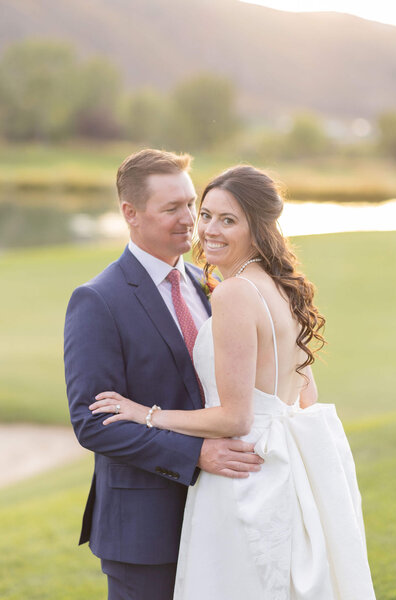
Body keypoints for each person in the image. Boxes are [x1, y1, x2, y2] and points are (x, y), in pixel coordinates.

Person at [91, 165, 376, 599]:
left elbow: (236, 417)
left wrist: (144, 414)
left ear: (258, 228)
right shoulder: (282, 287)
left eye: (228, 220)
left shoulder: (232, 293)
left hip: (242, 474)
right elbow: (304, 395)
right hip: (280, 467)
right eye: (204, 214)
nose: (206, 229)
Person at [64, 151, 263, 600]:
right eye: (172, 208)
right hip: (145, 530)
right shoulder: (97, 300)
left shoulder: (210, 283)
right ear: (130, 214)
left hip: (221, 512)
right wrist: (196, 454)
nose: (191, 220)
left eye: (191, 204)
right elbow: (93, 422)